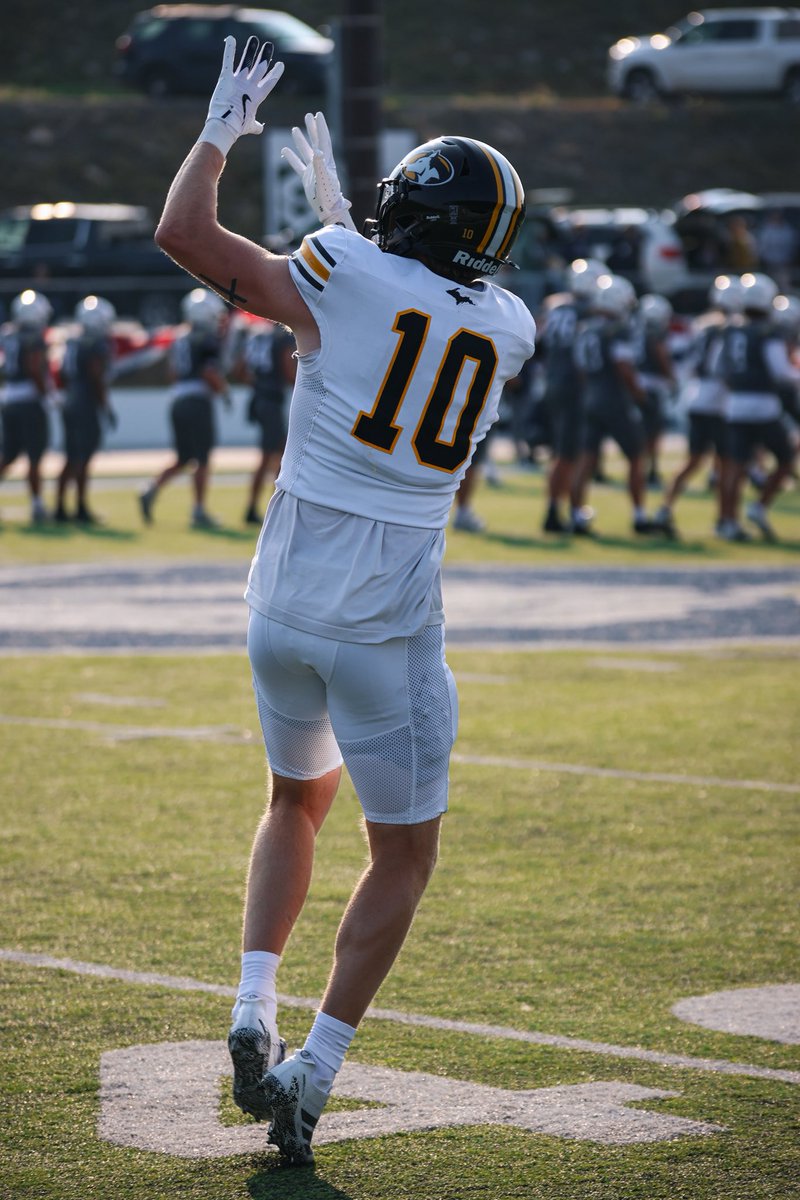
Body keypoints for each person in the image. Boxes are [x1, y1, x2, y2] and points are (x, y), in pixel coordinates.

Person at [152, 39, 536, 1166]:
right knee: (404, 855)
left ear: (407, 219)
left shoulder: (337, 267)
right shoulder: (511, 330)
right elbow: (416, 310)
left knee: (291, 799)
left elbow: (185, 237)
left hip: (280, 607)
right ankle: (311, 1074)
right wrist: (360, 240)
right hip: (387, 626)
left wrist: (221, 132)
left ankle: (249, 1000)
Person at [570, 273, 664, 536]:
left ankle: (577, 515)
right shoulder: (617, 329)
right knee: (636, 457)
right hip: (613, 398)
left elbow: (581, 367)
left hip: (591, 395)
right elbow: (623, 366)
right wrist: (639, 396)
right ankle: (639, 516)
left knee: (586, 458)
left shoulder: (586, 327)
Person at [655, 276, 741, 538]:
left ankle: (664, 509)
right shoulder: (732, 328)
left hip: (696, 395)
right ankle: (726, 521)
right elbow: (724, 367)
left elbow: (690, 363)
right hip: (720, 400)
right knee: (729, 465)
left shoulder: (703, 325)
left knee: (693, 462)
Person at [138, 287, 230, 529]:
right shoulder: (205, 338)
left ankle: (151, 488)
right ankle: (198, 510)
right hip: (197, 401)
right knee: (202, 458)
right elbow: (208, 371)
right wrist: (224, 391)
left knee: (183, 457)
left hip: (177, 399)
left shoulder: (178, 337)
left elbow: (172, 373)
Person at [717, 272, 799, 542]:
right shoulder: (768, 331)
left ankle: (727, 521)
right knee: (785, 459)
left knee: (735, 466)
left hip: (734, 404)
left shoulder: (732, 329)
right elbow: (780, 372)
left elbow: (721, 367)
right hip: (763, 404)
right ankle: (758, 506)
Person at [539, 258, 606, 533]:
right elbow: (583, 356)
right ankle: (563, 512)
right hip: (574, 387)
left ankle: (564, 510)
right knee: (572, 454)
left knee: (564, 452)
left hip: (552, 381)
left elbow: (540, 342)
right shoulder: (587, 312)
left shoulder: (555, 305)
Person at [54, 295, 117, 524]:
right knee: (82, 458)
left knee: (71, 457)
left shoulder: (71, 341)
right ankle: (79, 507)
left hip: (69, 400)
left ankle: (60, 508)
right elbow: (96, 376)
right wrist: (106, 406)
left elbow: (62, 373)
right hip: (85, 403)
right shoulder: (95, 343)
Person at [0, 289, 54, 524]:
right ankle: (37, 505)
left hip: (9, 398)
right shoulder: (33, 336)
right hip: (28, 400)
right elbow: (34, 368)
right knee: (34, 457)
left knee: (8, 454)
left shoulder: (9, 334)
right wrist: (47, 395)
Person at [238, 318, 296, 525]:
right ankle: (260, 508)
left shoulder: (257, 334)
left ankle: (263, 507)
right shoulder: (282, 337)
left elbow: (242, 368)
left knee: (276, 454)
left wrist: (259, 385)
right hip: (271, 400)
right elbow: (289, 371)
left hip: (259, 398)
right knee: (273, 456)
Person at [634, 293, 676, 489]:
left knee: (642, 430)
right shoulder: (654, 332)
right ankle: (650, 471)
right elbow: (661, 355)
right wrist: (672, 377)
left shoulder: (635, 329)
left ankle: (643, 469)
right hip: (653, 384)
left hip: (638, 382)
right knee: (652, 431)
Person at [756, 209, 798, 295]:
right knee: (770, 283)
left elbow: (790, 245)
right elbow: (763, 246)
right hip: (769, 262)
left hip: (784, 262)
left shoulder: (786, 229)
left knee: (784, 283)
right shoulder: (767, 229)